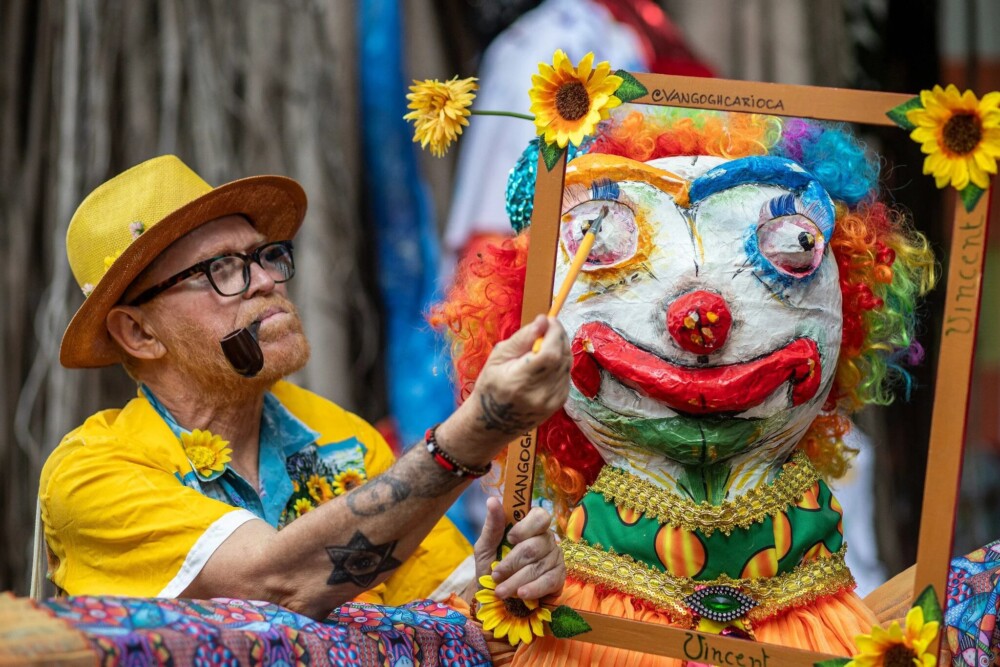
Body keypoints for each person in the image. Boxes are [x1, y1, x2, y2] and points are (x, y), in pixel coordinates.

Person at [38, 155, 570, 621]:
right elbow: (274, 585)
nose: (266, 280)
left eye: (264, 256)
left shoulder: (343, 438)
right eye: (220, 269)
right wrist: (473, 433)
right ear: (139, 333)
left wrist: (504, 586)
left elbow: (443, 602)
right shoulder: (90, 475)